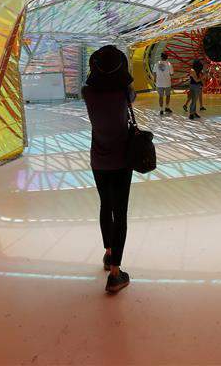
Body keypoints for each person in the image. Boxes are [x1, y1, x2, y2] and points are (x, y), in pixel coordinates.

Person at [81, 45, 135, 293]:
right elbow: (132, 95)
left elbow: (92, 83)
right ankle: (115, 273)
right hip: (122, 159)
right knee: (120, 213)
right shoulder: (125, 92)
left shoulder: (87, 92)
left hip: (98, 160)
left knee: (105, 206)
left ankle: (108, 253)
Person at [154, 51, 174, 116]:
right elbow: (172, 74)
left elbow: (154, 73)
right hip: (167, 83)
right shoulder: (169, 64)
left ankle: (161, 109)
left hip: (159, 83)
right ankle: (167, 107)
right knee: (168, 95)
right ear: (167, 57)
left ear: (161, 56)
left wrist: (155, 80)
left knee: (160, 96)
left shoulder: (156, 64)